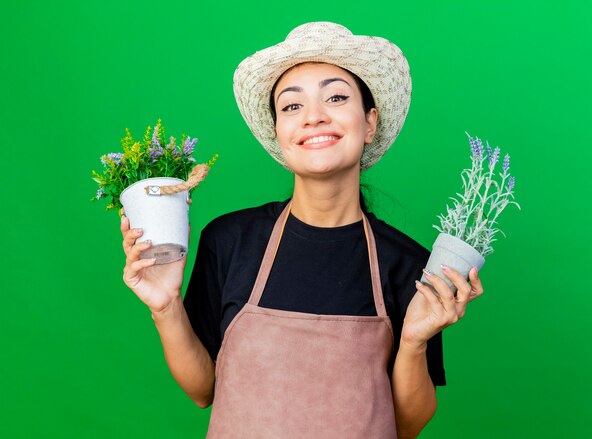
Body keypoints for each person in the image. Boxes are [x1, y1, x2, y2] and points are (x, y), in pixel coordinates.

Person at [120, 22, 484, 439]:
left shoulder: (409, 265)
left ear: (369, 123)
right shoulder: (230, 240)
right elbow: (204, 390)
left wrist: (415, 341)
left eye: (336, 97)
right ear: (278, 132)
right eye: (292, 106)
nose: (314, 116)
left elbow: (405, 425)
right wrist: (165, 306)